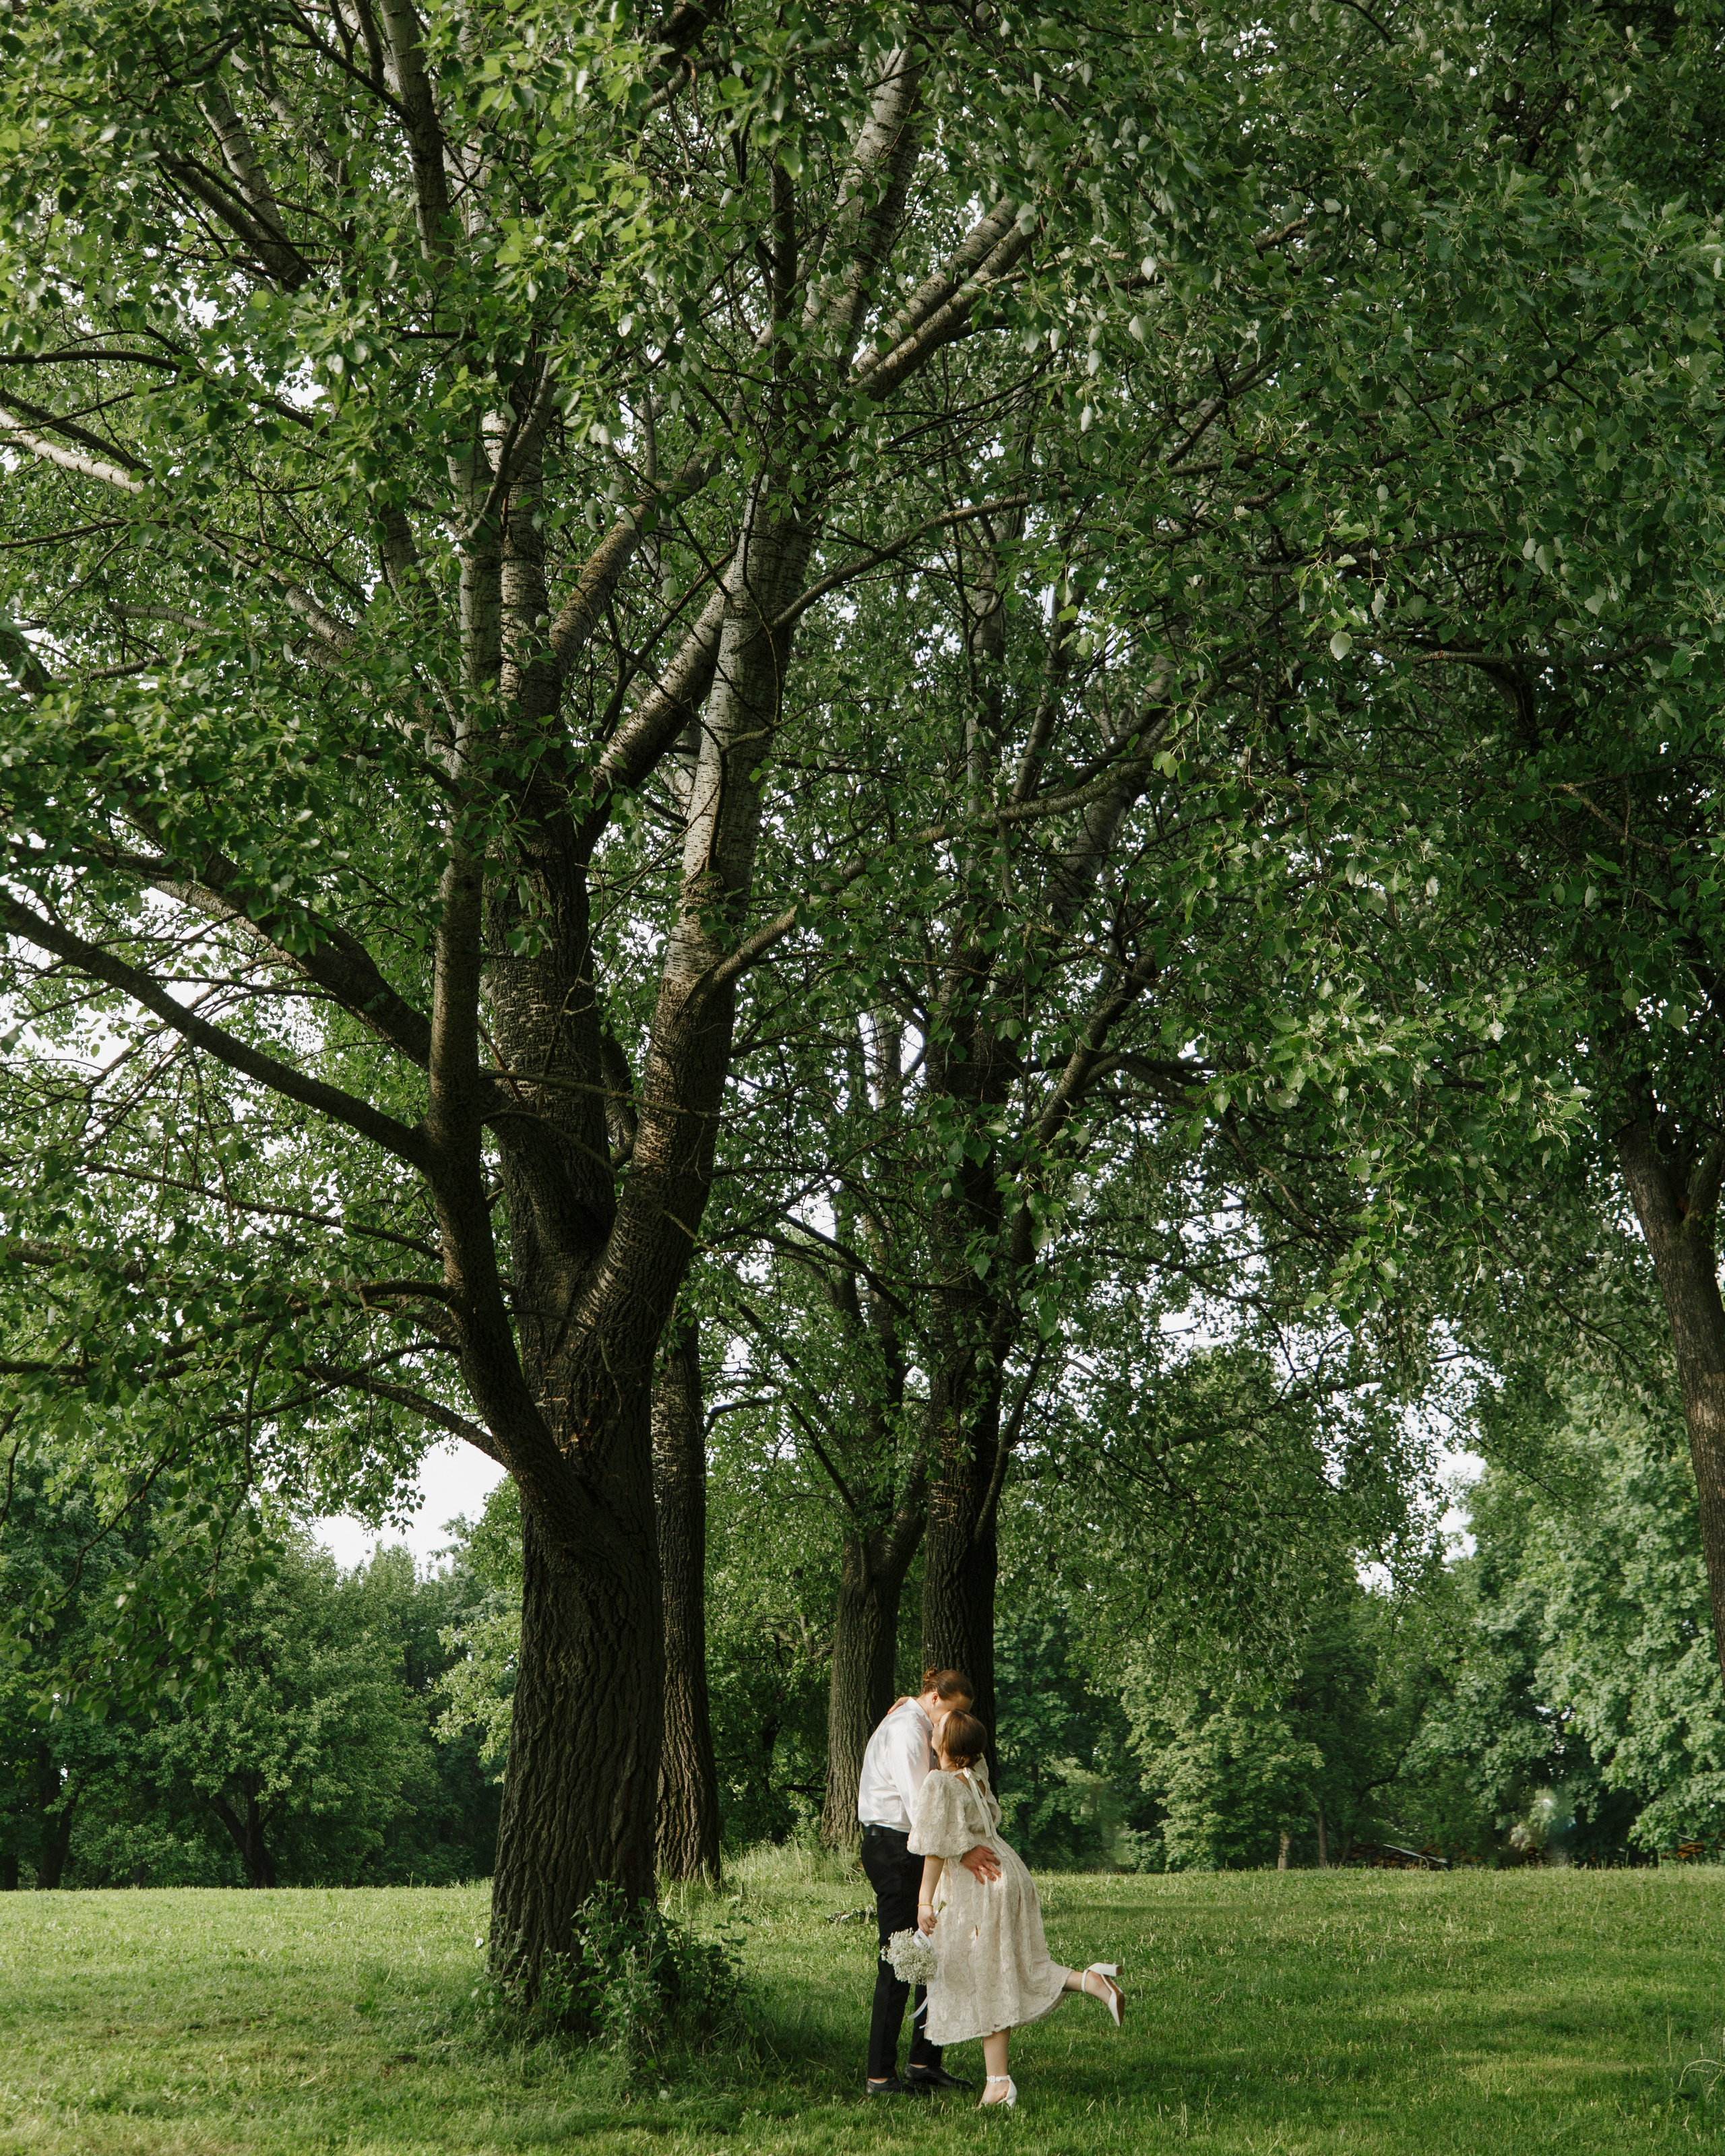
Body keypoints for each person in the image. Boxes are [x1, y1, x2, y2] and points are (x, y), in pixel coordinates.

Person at [910, 1709, 1125, 2108]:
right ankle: (1091, 1980)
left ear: (949, 1748)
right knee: (1006, 1967)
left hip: (981, 1885)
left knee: (989, 1976)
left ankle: (999, 2083)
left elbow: (935, 1849)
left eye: (938, 1726)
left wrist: (924, 1901)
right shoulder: (977, 1773)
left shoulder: (940, 1784)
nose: (932, 1724)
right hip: (1007, 1870)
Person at [857, 1668, 1002, 2096]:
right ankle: (880, 2075)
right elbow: (923, 1806)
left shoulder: (918, 1719)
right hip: (896, 1848)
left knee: (932, 1953)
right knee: (900, 1959)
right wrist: (964, 1849)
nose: (951, 1727)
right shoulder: (905, 1730)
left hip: (920, 1846)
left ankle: (924, 2061)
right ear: (935, 1697)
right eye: (952, 1714)